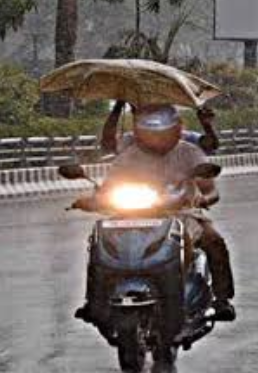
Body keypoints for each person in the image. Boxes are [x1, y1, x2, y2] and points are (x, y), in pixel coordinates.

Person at [79, 104, 236, 322]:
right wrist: (94, 199)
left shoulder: (189, 152)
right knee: (98, 241)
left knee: (214, 240)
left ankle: (222, 299)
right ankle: (94, 300)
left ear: (176, 128)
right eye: (150, 130)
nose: (157, 136)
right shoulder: (128, 154)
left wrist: (203, 198)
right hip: (132, 214)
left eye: (162, 130)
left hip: (181, 213)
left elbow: (211, 190)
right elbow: (109, 185)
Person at [100, 100, 220, 156]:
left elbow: (211, 145)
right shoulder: (132, 140)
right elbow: (108, 144)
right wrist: (117, 107)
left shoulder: (183, 138)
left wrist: (207, 125)